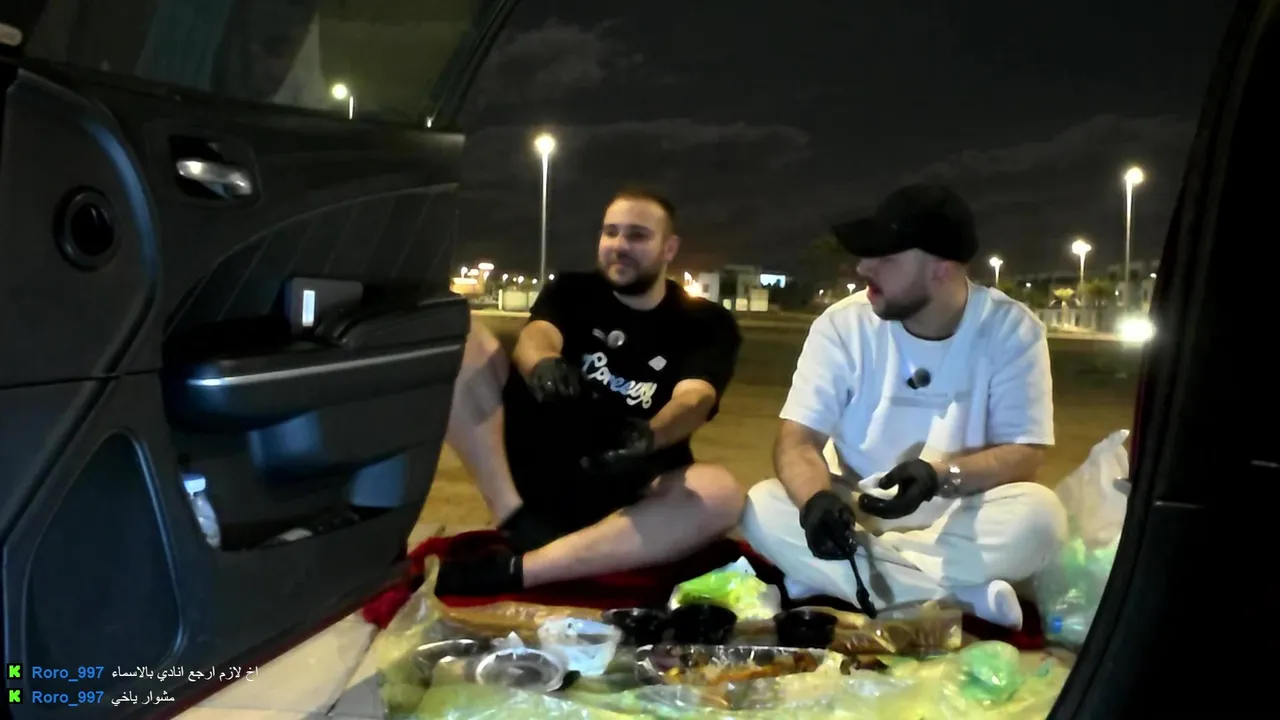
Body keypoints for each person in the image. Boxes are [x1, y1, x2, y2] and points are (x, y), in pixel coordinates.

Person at [740, 184, 1068, 629]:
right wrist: (816, 500)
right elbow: (798, 440)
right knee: (761, 506)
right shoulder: (842, 325)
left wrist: (939, 476)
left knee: (1041, 517)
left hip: (956, 516)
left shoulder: (1011, 329)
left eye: (887, 258)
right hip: (854, 511)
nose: (863, 267)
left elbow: (1025, 455)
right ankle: (961, 599)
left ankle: (841, 578)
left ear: (940, 270)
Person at [436, 187, 745, 596]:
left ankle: (519, 570)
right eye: (610, 232)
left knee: (723, 494)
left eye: (637, 235)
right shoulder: (572, 290)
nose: (619, 245)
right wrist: (544, 363)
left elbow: (694, 398)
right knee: (459, 332)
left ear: (669, 248)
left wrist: (650, 436)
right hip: (536, 467)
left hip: (628, 485)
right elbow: (536, 336)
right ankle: (515, 521)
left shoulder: (704, 322)